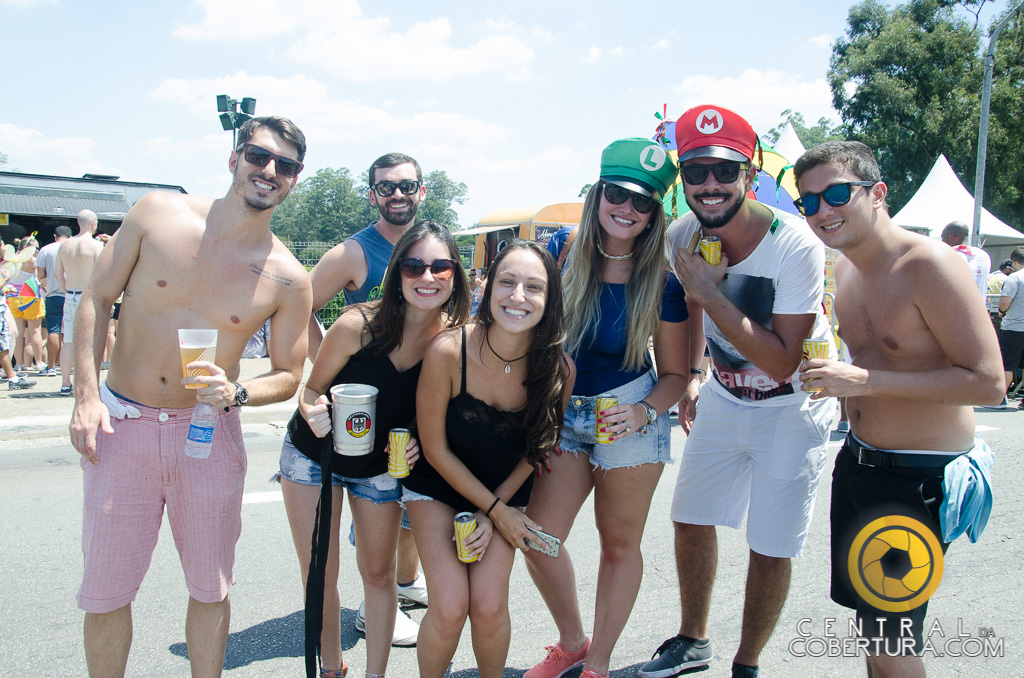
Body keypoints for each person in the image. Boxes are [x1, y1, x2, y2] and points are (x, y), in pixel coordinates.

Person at [68, 115, 313, 678]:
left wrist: (239, 391)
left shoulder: (286, 277)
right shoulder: (157, 214)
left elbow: (288, 373)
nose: (269, 170)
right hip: (120, 421)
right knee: (104, 591)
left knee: (210, 586)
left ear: (295, 180)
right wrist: (86, 396)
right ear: (234, 159)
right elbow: (96, 298)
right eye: (258, 155)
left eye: (286, 165)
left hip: (206, 432)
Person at [793, 140, 1004, 677]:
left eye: (837, 193)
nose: (822, 210)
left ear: (877, 193)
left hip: (916, 479)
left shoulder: (928, 264)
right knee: (875, 633)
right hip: (862, 467)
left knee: (892, 644)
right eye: (809, 202)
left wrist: (861, 381)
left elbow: (988, 383)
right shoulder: (845, 270)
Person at [641, 105, 838, 678]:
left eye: (724, 171)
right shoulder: (682, 234)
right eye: (696, 170)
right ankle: (692, 638)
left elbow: (781, 362)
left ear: (750, 172)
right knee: (690, 517)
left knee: (771, 542)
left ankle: (746, 663)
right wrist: (698, 373)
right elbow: (694, 315)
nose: (710, 184)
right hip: (726, 396)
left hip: (792, 404)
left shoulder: (795, 245)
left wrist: (707, 286)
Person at [522, 138, 686, 678]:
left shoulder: (662, 284)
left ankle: (597, 664)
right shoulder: (565, 252)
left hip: (630, 416)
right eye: (618, 193)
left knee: (619, 544)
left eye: (643, 203)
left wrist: (645, 413)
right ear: (598, 194)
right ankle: (571, 641)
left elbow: (677, 375)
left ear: (654, 215)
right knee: (539, 536)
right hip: (565, 414)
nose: (627, 209)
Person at [278, 220, 469, 678]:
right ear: (397, 273)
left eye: (440, 266)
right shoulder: (357, 325)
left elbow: (447, 415)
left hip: (381, 467)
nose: (427, 277)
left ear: (455, 275)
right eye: (413, 266)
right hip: (312, 457)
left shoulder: (458, 338)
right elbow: (310, 392)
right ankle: (331, 668)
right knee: (320, 572)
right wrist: (313, 410)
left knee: (379, 575)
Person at [402, 240, 574, 678]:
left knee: (490, 606)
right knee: (449, 607)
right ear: (488, 287)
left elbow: (538, 447)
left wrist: (496, 510)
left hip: (504, 490)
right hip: (437, 486)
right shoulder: (448, 351)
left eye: (534, 287)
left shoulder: (559, 368)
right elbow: (435, 449)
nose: (518, 297)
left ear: (550, 299)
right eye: (507, 282)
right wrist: (496, 513)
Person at [307, 152, 430, 636]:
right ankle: (375, 601)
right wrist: (330, 366)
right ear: (373, 194)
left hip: (421, 401)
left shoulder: (430, 245)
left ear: (422, 189)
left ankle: (406, 579)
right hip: (371, 408)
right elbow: (298, 307)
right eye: (385, 187)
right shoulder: (354, 253)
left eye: (406, 186)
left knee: (414, 494)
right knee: (378, 499)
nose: (396, 195)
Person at [55, 209, 104, 396]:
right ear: (93, 224)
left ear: (78, 223)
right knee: (91, 341)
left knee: (68, 340)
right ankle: (90, 384)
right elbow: (100, 275)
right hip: (88, 296)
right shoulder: (95, 246)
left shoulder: (65, 245)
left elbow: (57, 273)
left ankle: (65, 383)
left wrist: (65, 288)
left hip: (70, 294)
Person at [34, 225, 72, 376]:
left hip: (53, 294)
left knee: (53, 330)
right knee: (71, 331)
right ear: (70, 236)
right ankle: (70, 365)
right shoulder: (74, 249)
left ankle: (50, 366)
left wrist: (47, 284)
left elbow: (40, 276)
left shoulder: (45, 250)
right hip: (72, 293)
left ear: (55, 236)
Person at [5, 237, 44, 371]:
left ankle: (18, 363)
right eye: (36, 248)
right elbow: (43, 274)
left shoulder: (10, 259)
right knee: (34, 331)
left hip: (13, 297)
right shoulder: (32, 260)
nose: (37, 251)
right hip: (29, 298)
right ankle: (38, 362)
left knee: (17, 332)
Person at [997, 247, 1024, 409]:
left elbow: (1004, 303)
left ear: (1013, 261)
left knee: (1007, 364)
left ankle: (1000, 399)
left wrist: (1001, 311)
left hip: (1014, 327)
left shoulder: (1014, 278)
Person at [940, 220, 991, 302]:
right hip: (980, 310)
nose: (942, 242)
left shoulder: (951, 255)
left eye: (943, 238)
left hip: (957, 309)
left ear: (952, 236)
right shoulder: (984, 255)